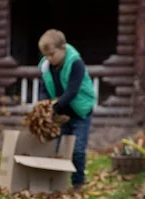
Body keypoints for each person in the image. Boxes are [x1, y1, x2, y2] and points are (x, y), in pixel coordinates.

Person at [37, 29, 96, 190]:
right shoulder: (46, 66)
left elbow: (72, 91)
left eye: (52, 54)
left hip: (80, 111)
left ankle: (78, 183)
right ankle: (59, 183)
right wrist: (44, 104)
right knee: (60, 148)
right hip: (62, 112)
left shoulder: (75, 63)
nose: (49, 58)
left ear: (63, 48)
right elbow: (44, 88)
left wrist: (54, 107)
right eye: (46, 55)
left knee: (77, 149)